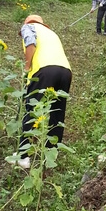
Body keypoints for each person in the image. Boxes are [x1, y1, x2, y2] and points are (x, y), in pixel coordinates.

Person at [15, 14, 72, 169]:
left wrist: (27, 67)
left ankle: (23, 156)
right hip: (66, 71)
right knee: (57, 112)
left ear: (27, 22)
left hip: (45, 70)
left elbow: (30, 43)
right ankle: (51, 154)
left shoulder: (29, 27)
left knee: (32, 110)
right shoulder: (51, 33)